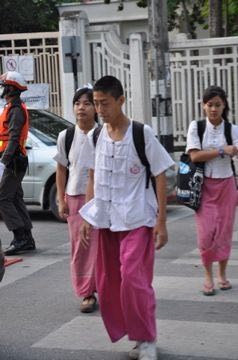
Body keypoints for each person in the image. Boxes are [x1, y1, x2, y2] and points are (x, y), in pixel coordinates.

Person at [79, 75, 174, 360]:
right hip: (106, 220)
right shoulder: (95, 135)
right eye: (96, 104)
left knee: (134, 279)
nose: (100, 109)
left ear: (121, 100)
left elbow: (160, 175)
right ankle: (133, 335)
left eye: (104, 103)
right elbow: (92, 176)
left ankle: (146, 339)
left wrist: (161, 222)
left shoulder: (141, 133)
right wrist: (87, 216)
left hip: (137, 219)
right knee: (108, 283)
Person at [186, 85, 238, 296]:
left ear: (224, 105)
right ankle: (207, 275)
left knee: (224, 232)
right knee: (206, 234)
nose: (214, 109)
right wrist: (220, 151)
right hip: (204, 186)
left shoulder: (232, 129)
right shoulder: (196, 127)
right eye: (210, 105)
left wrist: (228, 151)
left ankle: (222, 274)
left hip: (227, 186)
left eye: (217, 105)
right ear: (203, 106)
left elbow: (234, 151)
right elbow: (195, 156)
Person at [54, 86, 98, 313]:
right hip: (74, 198)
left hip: (100, 201)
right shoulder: (66, 136)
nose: (81, 107)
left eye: (87, 103)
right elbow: (61, 169)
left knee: (101, 247)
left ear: (96, 107)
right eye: (78, 103)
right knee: (80, 248)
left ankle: (103, 287)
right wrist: (61, 200)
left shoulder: (103, 134)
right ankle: (86, 292)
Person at [0, 71, 36, 256]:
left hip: (13, 161)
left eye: (4, 85)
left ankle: (20, 238)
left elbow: (13, 138)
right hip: (14, 159)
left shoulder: (15, 110)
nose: (2, 89)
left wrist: (3, 162)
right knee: (15, 198)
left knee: (3, 198)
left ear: (10, 88)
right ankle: (27, 238)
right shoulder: (11, 107)